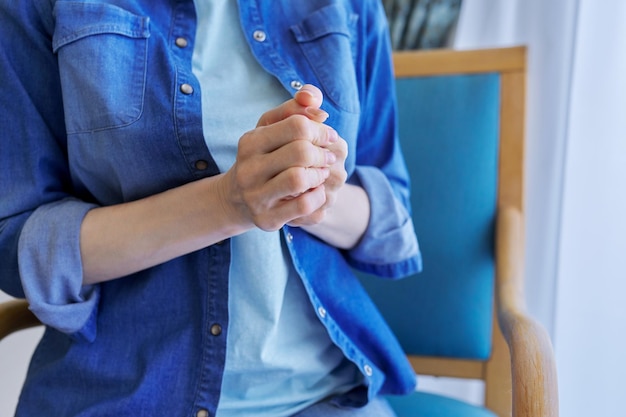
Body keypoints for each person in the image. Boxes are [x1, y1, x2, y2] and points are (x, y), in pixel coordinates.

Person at [0, 0, 422, 416]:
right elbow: (17, 247)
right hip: (123, 395)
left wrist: (308, 186)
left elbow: (391, 224)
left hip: (324, 396)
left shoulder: (351, 6)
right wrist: (228, 202)